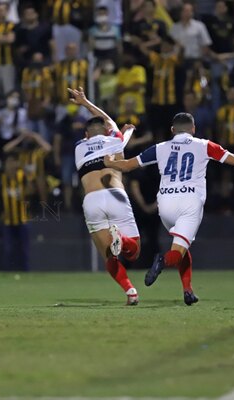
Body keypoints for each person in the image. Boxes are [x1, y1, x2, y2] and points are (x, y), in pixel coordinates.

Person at [104, 112, 234, 305]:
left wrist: (110, 162)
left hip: (165, 204)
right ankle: (161, 261)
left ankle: (188, 291)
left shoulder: (160, 148)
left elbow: (128, 166)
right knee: (176, 252)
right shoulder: (204, 145)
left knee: (181, 244)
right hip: (189, 202)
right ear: (193, 129)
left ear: (172, 131)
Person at [68, 87, 141, 306]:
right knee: (134, 252)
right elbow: (110, 122)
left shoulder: (79, 147)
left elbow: (105, 128)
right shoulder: (115, 142)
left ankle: (131, 292)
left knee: (109, 256)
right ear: (106, 131)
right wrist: (86, 102)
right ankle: (123, 238)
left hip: (92, 199)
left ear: (86, 135)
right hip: (116, 194)